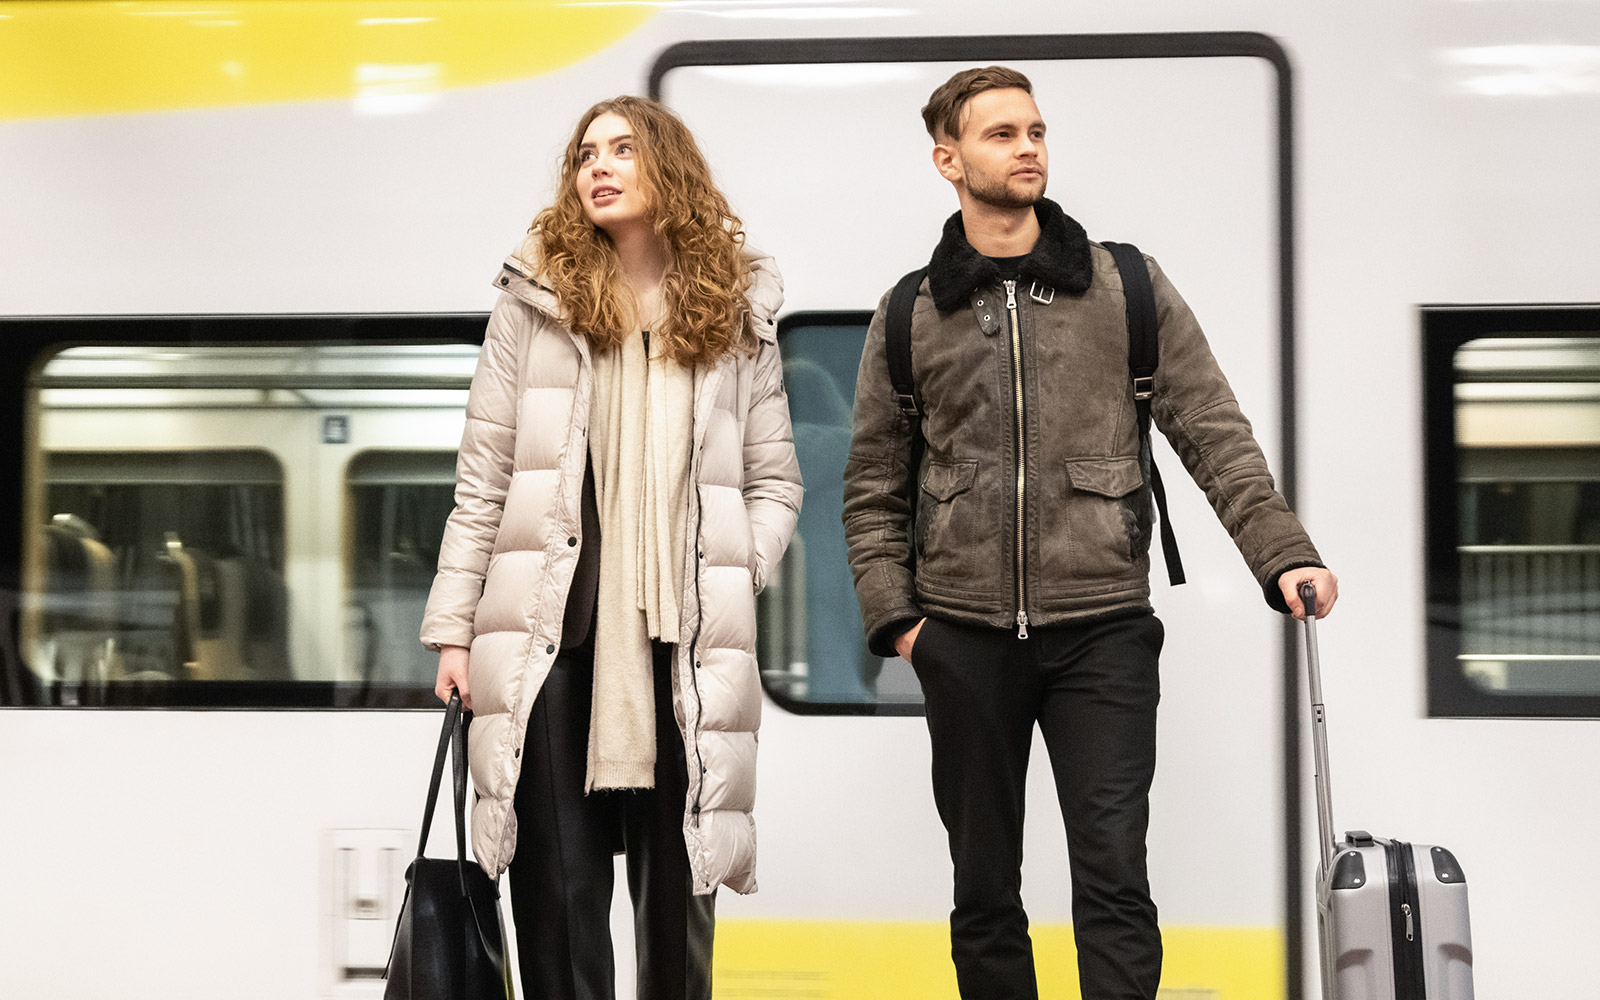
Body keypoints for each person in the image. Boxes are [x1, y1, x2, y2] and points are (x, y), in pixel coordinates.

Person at [841, 67, 1339, 1000]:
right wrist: (903, 624)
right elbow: (872, 487)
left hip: (1105, 629)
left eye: (1035, 130)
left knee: (1114, 883)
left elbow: (1213, 432)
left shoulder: (1125, 288)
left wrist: (1285, 553)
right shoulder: (912, 312)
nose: (1027, 147)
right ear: (947, 160)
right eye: (1000, 134)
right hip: (964, 638)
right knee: (983, 892)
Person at [419, 95, 801, 1000]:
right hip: (551, 641)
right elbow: (483, 477)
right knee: (557, 901)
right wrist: (453, 631)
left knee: (676, 914)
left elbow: (775, 481)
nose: (599, 165)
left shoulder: (734, 307)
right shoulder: (534, 303)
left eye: (623, 150)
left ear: (666, 167)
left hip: (686, 645)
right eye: (587, 152)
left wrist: (731, 573)